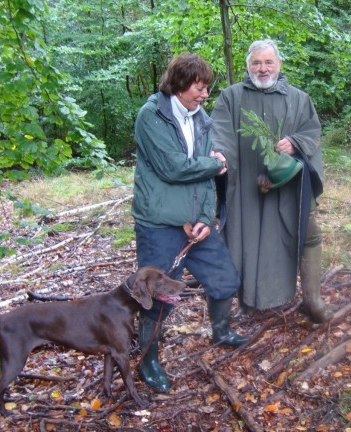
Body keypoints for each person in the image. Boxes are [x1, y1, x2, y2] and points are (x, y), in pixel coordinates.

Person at [132, 53, 247, 393]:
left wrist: (205, 219)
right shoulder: (152, 116)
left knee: (225, 278)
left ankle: (221, 329)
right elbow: (174, 167)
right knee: (157, 294)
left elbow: (206, 178)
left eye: (207, 88)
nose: (204, 95)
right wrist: (216, 164)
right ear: (179, 85)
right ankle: (148, 359)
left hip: (195, 222)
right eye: (199, 88)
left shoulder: (201, 118)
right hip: (159, 223)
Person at [210, 39, 333, 324]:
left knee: (308, 234)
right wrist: (219, 156)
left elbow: (312, 133)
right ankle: (247, 302)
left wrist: (294, 142)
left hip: (289, 185)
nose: (262, 69)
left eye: (268, 62)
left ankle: (312, 299)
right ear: (248, 66)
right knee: (243, 240)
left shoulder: (299, 99)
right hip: (245, 185)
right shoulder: (231, 97)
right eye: (256, 62)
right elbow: (220, 133)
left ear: (279, 65)